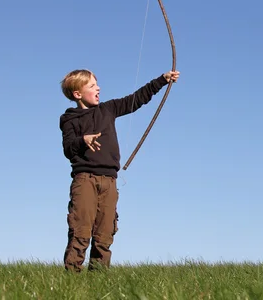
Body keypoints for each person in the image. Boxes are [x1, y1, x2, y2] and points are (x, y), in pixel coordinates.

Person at [59, 68, 180, 272]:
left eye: (97, 84)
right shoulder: (69, 119)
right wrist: (83, 141)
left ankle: (98, 280)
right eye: (92, 86)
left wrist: (162, 80)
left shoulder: (108, 109)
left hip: (109, 181)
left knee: (105, 234)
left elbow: (136, 99)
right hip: (85, 180)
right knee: (80, 231)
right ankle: (71, 277)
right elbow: (68, 148)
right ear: (77, 94)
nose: (98, 88)